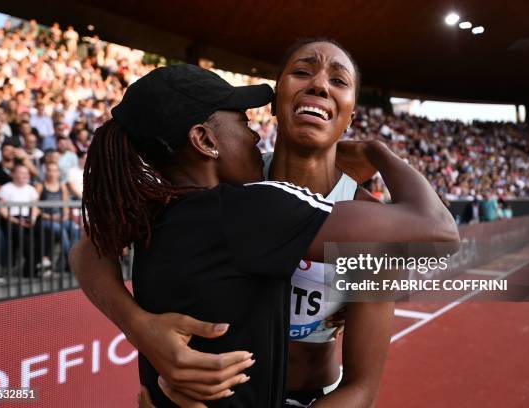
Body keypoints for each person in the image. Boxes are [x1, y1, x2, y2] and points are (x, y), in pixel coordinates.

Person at [71, 64, 459, 407]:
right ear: (276, 104)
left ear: (349, 116)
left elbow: (362, 387)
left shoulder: (186, 202)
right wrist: (138, 327)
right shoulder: (252, 198)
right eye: (303, 72)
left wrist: (140, 327)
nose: (320, 85)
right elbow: (88, 249)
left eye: (338, 79)